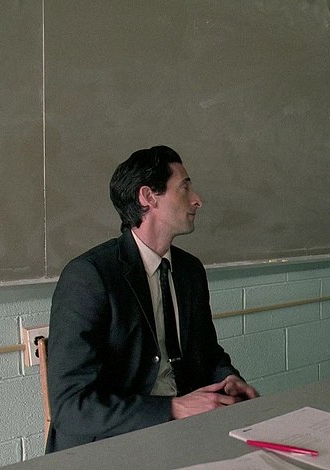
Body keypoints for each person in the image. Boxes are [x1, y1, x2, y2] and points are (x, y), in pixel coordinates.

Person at [45, 145, 258, 453]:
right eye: (184, 188)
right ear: (148, 196)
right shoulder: (89, 276)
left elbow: (207, 353)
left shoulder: (190, 270)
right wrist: (173, 408)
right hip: (110, 444)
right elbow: (71, 406)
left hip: (183, 432)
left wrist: (228, 379)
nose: (197, 199)